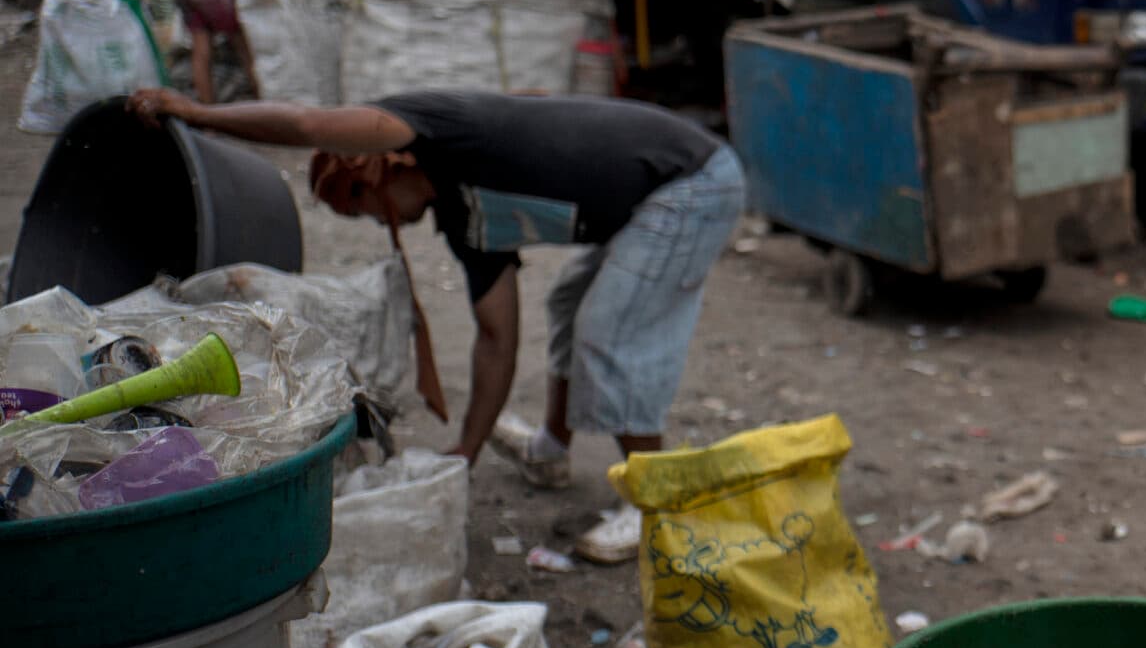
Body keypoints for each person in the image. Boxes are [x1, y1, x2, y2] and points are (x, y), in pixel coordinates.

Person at [125, 86, 745, 557]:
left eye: (363, 208)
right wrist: (464, 456)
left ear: (379, 167)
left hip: (690, 182)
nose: (376, 223)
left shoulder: (436, 130)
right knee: (568, 309)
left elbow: (309, 122)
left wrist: (197, 113)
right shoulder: (465, 219)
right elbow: (496, 339)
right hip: (646, 200)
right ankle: (552, 451)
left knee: (610, 332)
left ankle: (656, 506)